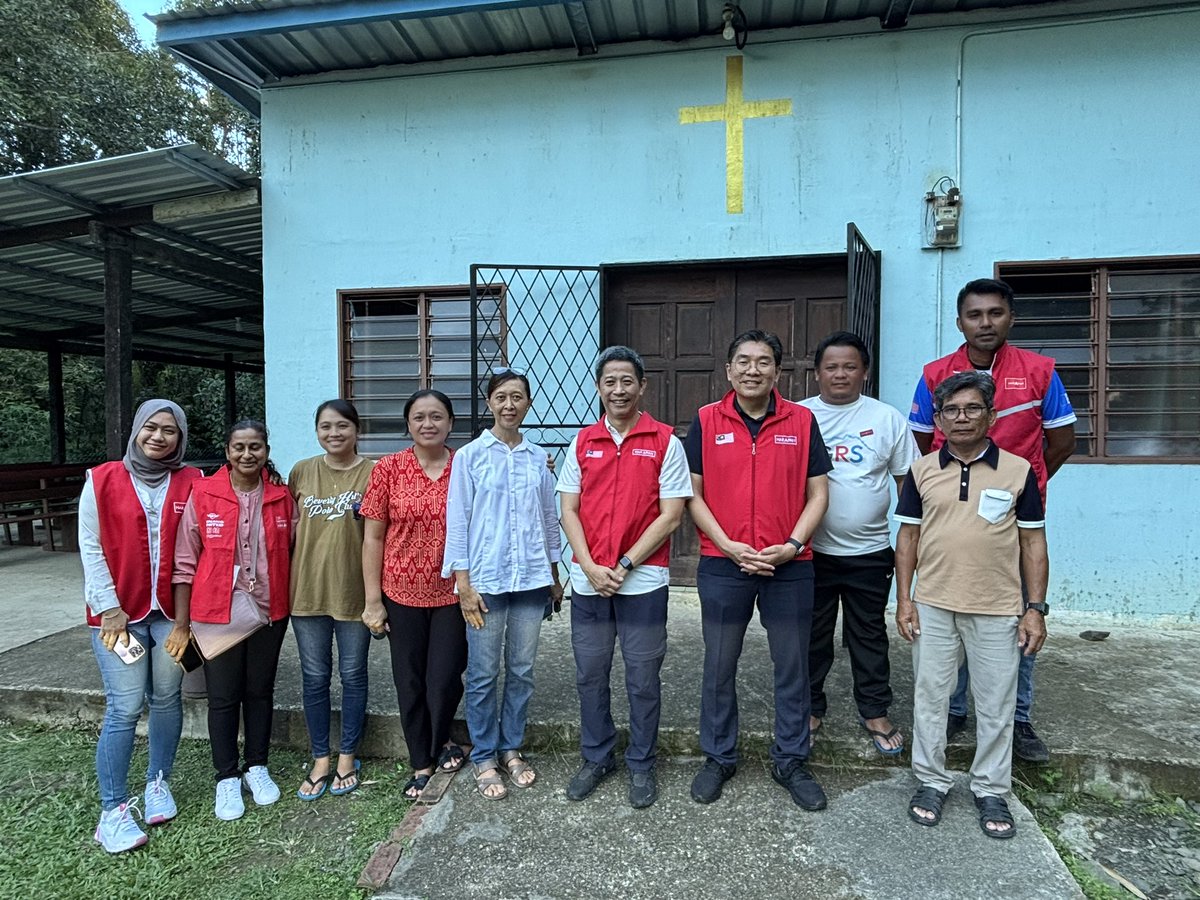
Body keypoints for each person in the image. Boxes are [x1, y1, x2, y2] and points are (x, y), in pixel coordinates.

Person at [909, 277, 1075, 762]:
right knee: (949, 611)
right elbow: (922, 442)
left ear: (1011, 318)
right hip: (949, 513)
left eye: (995, 313)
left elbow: (1061, 441)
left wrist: (1022, 480)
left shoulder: (1040, 371)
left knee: (1018, 616)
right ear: (960, 322)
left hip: (1014, 516)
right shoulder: (935, 372)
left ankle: (1018, 720)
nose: (985, 323)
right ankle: (956, 708)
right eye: (975, 315)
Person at [895, 371, 1048, 839]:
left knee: (996, 703)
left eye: (972, 409)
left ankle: (990, 788)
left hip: (999, 606)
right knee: (931, 697)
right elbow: (908, 537)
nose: (961, 418)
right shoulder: (922, 470)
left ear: (991, 415)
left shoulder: (1019, 470)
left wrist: (1035, 607)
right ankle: (930, 780)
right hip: (934, 604)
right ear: (938, 419)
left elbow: (1033, 545)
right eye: (951, 411)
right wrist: (904, 599)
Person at [685, 330, 831, 810]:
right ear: (728, 370)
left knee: (792, 666)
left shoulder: (803, 421)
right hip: (723, 565)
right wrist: (727, 545)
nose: (753, 369)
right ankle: (718, 757)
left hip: (790, 566)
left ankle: (791, 759)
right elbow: (693, 494)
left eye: (763, 361)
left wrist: (792, 544)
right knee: (719, 665)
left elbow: (818, 495)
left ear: (777, 371)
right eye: (743, 361)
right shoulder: (707, 421)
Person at [556, 346, 691, 809]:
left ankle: (641, 762)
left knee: (642, 676)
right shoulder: (581, 442)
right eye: (610, 381)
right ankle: (597, 757)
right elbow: (568, 510)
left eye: (627, 381)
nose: (619, 389)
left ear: (642, 386)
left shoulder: (666, 442)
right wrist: (590, 566)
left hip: (643, 581)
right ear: (599, 388)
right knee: (590, 673)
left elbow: (671, 516)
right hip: (589, 580)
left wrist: (626, 564)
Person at [80, 399, 203, 853]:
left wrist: (190, 619)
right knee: (125, 707)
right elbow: (90, 547)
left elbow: (199, 545)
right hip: (117, 616)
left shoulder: (193, 480)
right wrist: (109, 607)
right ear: (135, 430)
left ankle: (158, 782)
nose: (159, 437)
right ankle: (111, 811)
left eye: (169, 430)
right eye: (150, 428)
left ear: (180, 437)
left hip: (172, 617)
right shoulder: (101, 478)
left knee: (167, 698)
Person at [442, 370, 564, 800]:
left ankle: (511, 748)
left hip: (531, 580)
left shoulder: (537, 458)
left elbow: (550, 519)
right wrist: (462, 582)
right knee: (481, 673)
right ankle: (484, 756)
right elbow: (457, 520)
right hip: (486, 581)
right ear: (489, 403)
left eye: (518, 397)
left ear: (528, 404)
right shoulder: (470, 456)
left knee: (522, 671)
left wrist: (553, 574)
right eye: (501, 397)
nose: (509, 404)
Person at [172, 419, 298, 821]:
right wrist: (181, 622)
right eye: (239, 447)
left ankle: (256, 766)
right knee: (224, 697)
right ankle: (226, 776)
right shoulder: (204, 493)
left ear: (265, 450)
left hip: (268, 613)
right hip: (215, 613)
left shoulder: (281, 499)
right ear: (227, 452)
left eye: (255, 447)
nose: (247, 454)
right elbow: (185, 561)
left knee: (260, 691)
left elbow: (295, 552)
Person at [799, 331, 917, 756]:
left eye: (850, 366)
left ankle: (874, 710)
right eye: (831, 366)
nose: (840, 374)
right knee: (811, 635)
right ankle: (810, 709)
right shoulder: (798, 416)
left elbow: (909, 485)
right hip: (810, 554)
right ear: (817, 373)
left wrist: (914, 540)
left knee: (868, 634)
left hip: (869, 553)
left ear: (864, 373)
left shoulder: (887, 419)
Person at [361, 389, 467, 800]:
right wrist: (373, 601)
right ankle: (421, 760)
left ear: (450, 423)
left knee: (443, 678)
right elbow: (372, 537)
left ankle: (442, 740)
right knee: (409, 680)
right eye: (420, 417)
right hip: (400, 592)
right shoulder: (388, 468)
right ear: (408, 424)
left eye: (437, 416)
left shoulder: (465, 465)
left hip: (453, 593)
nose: (428, 424)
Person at [289, 400, 376, 800]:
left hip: (355, 593)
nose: (334, 433)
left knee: (354, 675)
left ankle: (347, 754)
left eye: (342, 426)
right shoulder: (302, 472)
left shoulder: (374, 473)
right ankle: (321, 755)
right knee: (315, 677)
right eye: (325, 427)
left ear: (357, 430)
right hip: (306, 592)